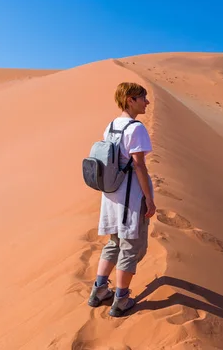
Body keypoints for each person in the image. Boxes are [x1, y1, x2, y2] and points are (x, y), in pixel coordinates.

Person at [88, 81, 156, 317]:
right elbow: (139, 165)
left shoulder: (111, 126)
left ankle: (99, 290)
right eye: (143, 97)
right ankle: (121, 299)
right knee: (129, 248)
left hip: (112, 197)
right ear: (130, 99)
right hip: (130, 199)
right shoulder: (136, 128)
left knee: (114, 243)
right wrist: (149, 199)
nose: (147, 102)